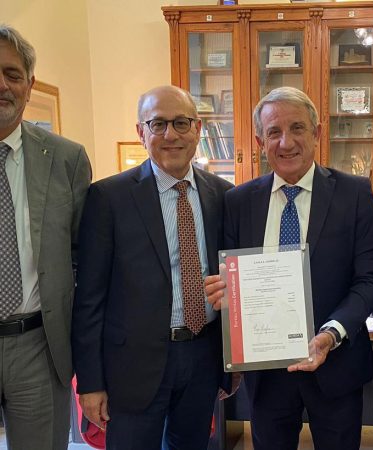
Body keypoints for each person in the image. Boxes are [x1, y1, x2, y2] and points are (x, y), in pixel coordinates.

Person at [205, 86, 373, 450]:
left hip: (336, 365)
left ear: (317, 133)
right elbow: (230, 280)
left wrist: (331, 334)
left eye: (297, 128)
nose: (286, 142)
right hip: (266, 373)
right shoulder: (238, 202)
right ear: (260, 142)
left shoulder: (354, 194)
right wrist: (226, 294)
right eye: (274, 132)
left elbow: (369, 279)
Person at [71, 85, 233, 449]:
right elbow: (89, 299)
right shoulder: (108, 198)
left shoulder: (223, 195)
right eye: (158, 124)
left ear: (198, 129)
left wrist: (232, 363)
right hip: (132, 366)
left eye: (181, 123)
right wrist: (91, 383)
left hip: (202, 357)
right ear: (140, 132)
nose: (170, 135)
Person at [0, 25, 92, 450]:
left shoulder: (66, 158)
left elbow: (82, 257)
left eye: (12, 74)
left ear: (29, 84)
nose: (3, 85)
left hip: (38, 346)